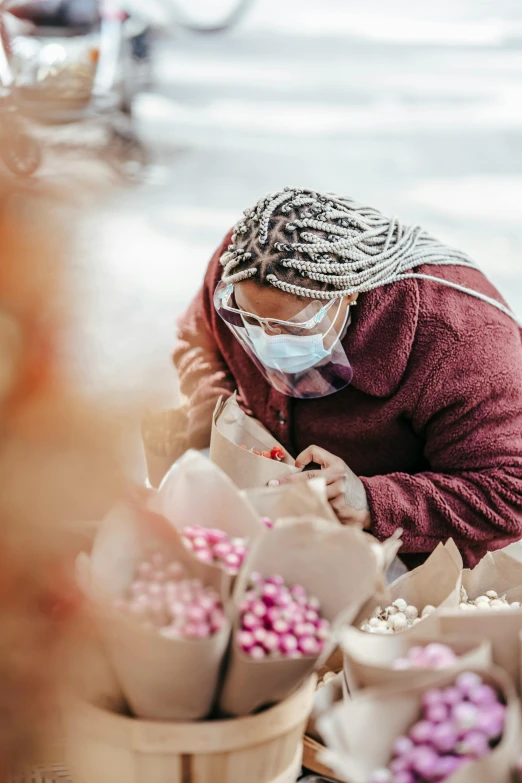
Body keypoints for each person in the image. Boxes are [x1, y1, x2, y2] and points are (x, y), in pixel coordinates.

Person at [173, 187, 522, 568]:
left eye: (292, 328)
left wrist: (373, 502)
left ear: (349, 295)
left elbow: (509, 489)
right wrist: (220, 424)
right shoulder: (247, 260)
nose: (266, 344)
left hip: (403, 567)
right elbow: (197, 340)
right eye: (249, 322)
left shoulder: (464, 341)